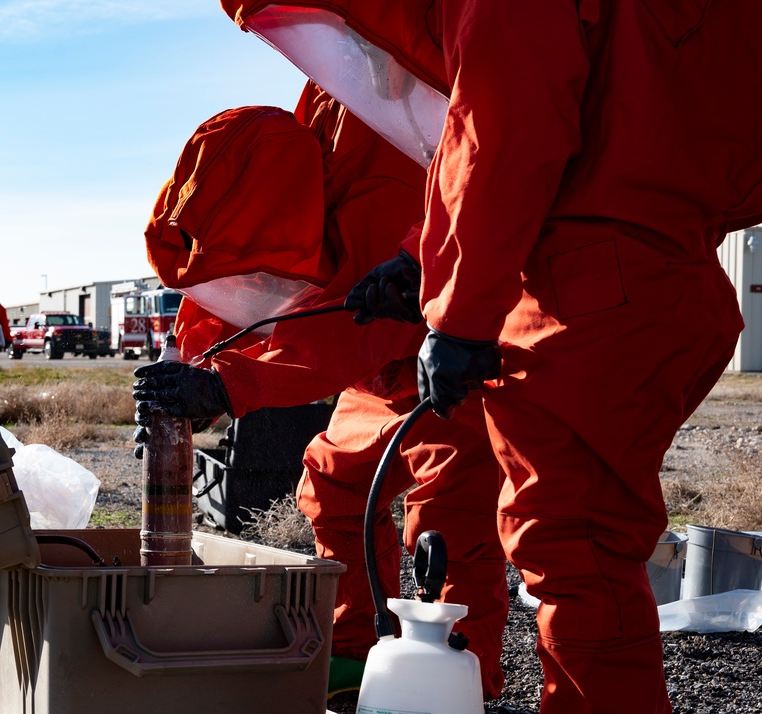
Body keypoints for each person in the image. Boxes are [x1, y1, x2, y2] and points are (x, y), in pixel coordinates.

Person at [219, 2, 762, 712]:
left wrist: (459, 314)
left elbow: (506, 126)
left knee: (572, 542)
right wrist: (424, 265)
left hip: (587, 279)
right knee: (578, 541)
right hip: (657, 265)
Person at [133, 82, 509, 700]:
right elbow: (226, 280)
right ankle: (358, 650)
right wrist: (180, 365)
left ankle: (465, 680)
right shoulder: (315, 123)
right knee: (333, 481)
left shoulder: (379, 178)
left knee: (451, 515)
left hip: (447, 361)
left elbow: (352, 328)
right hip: (377, 371)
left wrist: (227, 385)